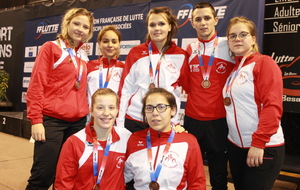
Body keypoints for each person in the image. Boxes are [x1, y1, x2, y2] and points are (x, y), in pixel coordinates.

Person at [25, 8, 94, 189]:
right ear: (67, 24)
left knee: (67, 176)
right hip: (52, 122)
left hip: (77, 124)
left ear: (89, 32)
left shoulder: (83, 56)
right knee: (43, 175)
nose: (80, 29)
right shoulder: (51, 48)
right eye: (76, 23)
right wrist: (36, 120)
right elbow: (36, 85)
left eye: (85, 26)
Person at [223, 16, 285, 190]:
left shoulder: (264, 63)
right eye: (232, 36)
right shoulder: (234, 69)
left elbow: (272, 106)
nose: (237, 39)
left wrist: (258, 143)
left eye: (243, 34)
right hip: (236, 146)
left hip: (263, 146)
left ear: (253, 39)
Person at [179, 2, 234, 189]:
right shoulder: (189, 49)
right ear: (192, 23)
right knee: (190, 171)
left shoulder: (229, 46)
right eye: (198, 19)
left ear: (215, 20)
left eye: (207, 18)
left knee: (218, 175)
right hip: (193, 119)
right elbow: (185, 83)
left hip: (219, 120)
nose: (203, 23)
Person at [117, 6, 187, 133]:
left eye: (161, 24)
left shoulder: (181, 55)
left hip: (164, 120)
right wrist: (120, 124)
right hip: (135, 118)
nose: (157, 28)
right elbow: (125, 89)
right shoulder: (136, 52)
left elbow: (181, 91)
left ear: (170, 27)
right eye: (152, 25)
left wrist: (175, 121)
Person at [124, 87, 206, 190]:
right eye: (149, 108)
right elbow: (122, 177)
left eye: (161, 107)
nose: (155, 113)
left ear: (173, 110)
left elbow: (197, 183)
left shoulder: (188, 141)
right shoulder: (133, 139)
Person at [54, 88, 131, 190]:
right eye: (100, 108)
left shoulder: (126, 137)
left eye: (111, 108)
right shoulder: (74, 142)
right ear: (91, 111)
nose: (106, 113)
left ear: (117, 110)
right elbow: (63, 183)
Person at [87, 25, 124, 123]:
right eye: (105, 41)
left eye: (114, 41)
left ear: (119, 44)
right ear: (99, 43)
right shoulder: (89, 66)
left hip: (115, 120)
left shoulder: (124, 68)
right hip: (92, 119)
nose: (110, 45)